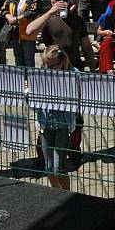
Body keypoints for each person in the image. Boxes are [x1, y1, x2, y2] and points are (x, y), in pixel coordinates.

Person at [26, 0, 96, 72]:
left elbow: (87, 47)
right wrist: (51, 12)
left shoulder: (77, 20)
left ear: (70, 0)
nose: (61, 2)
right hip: (54, 67)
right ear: (53, 0)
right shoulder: (47, 18)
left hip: (73, 66)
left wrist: (92, 69)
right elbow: (29, 31)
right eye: (58, 0)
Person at [37, 45, 76, 189]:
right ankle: (54, 194)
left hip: (63, 125)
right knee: (48, 167)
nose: (48, 69)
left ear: (61, 61)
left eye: (51, 66)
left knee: (58, 168)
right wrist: (29, 94)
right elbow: (34, 106)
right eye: (45, 65)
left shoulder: (73, 74)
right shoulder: (41, 74)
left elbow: (78, 100)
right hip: (45, 124)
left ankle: (66, 196)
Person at [4, 0, 40, 68]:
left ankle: (30, 80)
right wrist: (9, 18)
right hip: (15, 31)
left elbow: (32, 12)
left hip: (27, 33)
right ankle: (19, 78)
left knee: (28, 58)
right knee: (18, 57)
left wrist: (16, 19)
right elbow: (4, 9)